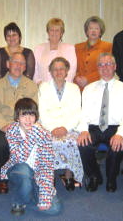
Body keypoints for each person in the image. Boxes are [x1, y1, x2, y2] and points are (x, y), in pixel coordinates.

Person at [77, 53, 123, 192]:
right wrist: (84, 130)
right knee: (83, 144)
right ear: (98, 68)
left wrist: (120, 134)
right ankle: (94, 176)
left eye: (108, 64)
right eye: (101, 64)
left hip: (115, 127)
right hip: (94, 127)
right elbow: (83, 112)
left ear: (115, 67)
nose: (105, 67)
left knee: (117, 146)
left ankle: (111, 178)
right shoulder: (89, 89)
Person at [0, 52, 38, 194]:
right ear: (8, 64)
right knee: (1, 144)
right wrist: (3, 125)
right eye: (15, 62)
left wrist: (23, 125)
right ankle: (3, 179)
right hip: (3, 126)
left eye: (22, 64)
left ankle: (29, 175)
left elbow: (34, 109)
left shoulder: (32, 87)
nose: (18, 66)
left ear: (25, 67)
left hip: (26, 125)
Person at [1, 98, 62, 216]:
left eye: (31, 115)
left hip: (37, 174)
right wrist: (32, 134)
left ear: (36, 116)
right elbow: (18, 158)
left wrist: (45, 196)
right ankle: (18, 200)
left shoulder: (44, 134)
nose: (28, 120)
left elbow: (46, 166)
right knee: (24, 172)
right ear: (17, 117)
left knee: (54, 209)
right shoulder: (12, 131)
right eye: (24, 116)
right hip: (17, 169)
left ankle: (27, 198)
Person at [38, 57, 83, 191]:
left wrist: (65, 128)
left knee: (73, 142)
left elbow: (77, 112)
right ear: (50, 72)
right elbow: (41, 111)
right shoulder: (43, 87)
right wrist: (52, 128)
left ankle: (68, 175)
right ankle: (49, 177)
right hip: (48, 127)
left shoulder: (74, 88)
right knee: (47, 143)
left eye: (61, 69)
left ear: (67, 71)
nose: (58, 72)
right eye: (55, 69)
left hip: (68, 127)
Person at [34, 18, 77, 84]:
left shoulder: (70, 48)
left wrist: (61, 85)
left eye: (57, 30)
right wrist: (42, 85)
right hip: (43, 89)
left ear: (61, 33)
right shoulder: (38, 49)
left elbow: (72, 71)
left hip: (64, 88)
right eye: (51, 30)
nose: (54, 33)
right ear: (48, 32)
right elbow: (35, 72)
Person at [74, 16, 112, 90]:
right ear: (86, 31)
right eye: (91, 28)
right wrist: (76, 78)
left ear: (100, 31)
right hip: (79, 88)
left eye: (96, 28)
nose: (93, 31)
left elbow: (107, 68)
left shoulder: (108, 46)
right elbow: (73, 66)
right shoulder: (77, 47)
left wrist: (88, 79)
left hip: (98, 86)